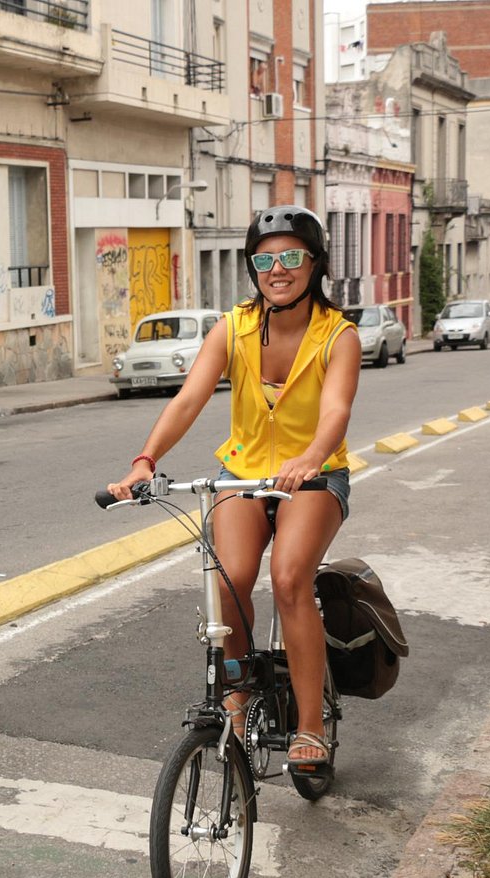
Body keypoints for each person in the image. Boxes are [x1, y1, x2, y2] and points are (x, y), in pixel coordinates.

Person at [106, 205, 360, 767]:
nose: (278, 269)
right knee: (228, 582)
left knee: (290, 578)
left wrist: (311, 457)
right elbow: (189, 399)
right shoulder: (234, 327)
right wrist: (145, 460)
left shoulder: (337, 335)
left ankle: (312, 726)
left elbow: (335, 411)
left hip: (314, 476)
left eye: (291, 257)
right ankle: (239, 705)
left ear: (314, 264)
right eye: (265, 259)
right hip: (242, 473)